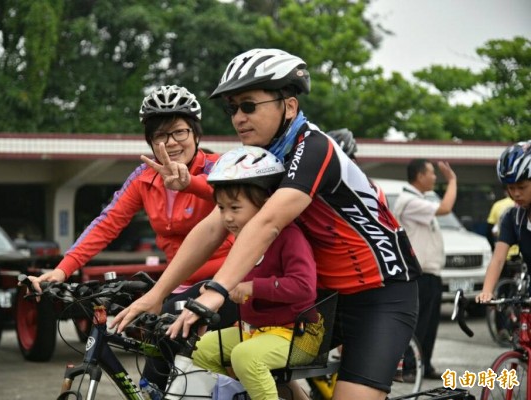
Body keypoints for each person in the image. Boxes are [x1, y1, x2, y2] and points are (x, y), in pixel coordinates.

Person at [111, 48, 421, 400]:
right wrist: (157, 294)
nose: (238, 118)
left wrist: (216, 291)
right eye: (232, 108)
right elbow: (214, 226)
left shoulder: (315, 147)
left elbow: (268, 223)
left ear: (288, 106)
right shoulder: (262, 159)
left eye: (248, 105)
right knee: (233, 357)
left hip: (381, 294)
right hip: (322, 298)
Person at [27, 85, 235, 388]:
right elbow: (107, 223)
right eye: (160, 136)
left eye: (179, 132)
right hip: (176, 285)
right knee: (154, 378)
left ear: (195, 133)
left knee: (202, 373)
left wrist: (191, 183)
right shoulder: (143, 177)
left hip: (226, 281)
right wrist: (62, 269)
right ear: (150, 141)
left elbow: (236, 198)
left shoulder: (221, 167)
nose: (171, 143)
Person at [191, 145, 323, 400]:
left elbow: (304, 287)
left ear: (264, 204)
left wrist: (253, 288)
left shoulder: (289, 236)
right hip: (257, 330)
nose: (227, 218)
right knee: (202, 348)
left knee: (245, 356)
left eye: (235, 208)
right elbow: (231, 281)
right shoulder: (241, 239)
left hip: (299, 334)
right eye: (221, 208)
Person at [392, 159, 457, 380]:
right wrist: (453, 181)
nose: (435, 177)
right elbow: (446, 208)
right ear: (420, 176)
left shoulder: (418, 199)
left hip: (430, 273)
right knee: (418, 324)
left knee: (429, 324)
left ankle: (424, 365)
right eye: (431, 173)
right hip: (419, 274)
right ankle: (410, 367)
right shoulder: (410, 201)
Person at [477, 140, 531, 303]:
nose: (515, 194)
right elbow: (498, 258)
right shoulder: (513, 217)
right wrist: (487, 291)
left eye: (522, 187)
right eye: (510, 188)